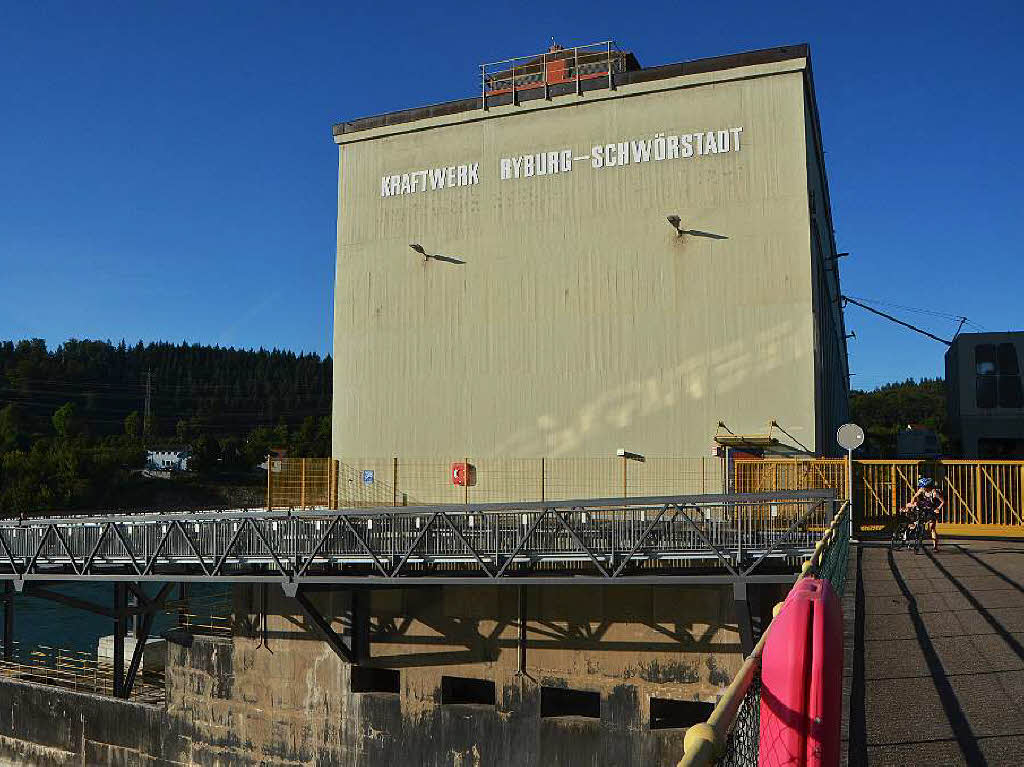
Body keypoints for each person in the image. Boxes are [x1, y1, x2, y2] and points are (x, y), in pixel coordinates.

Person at [904, 477, 944, 552]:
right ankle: (911, 523)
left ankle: (935, 547)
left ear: (928, 486)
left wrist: (938, 508)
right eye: (922, 486)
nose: (922, 488)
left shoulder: (934, 493)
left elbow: (942, 501)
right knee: (909, 505)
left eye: (924, 486)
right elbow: (915, 496)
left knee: (932, 528)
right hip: (924, 506)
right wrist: (912, 503)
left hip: (931, 509)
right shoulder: (921, 490)